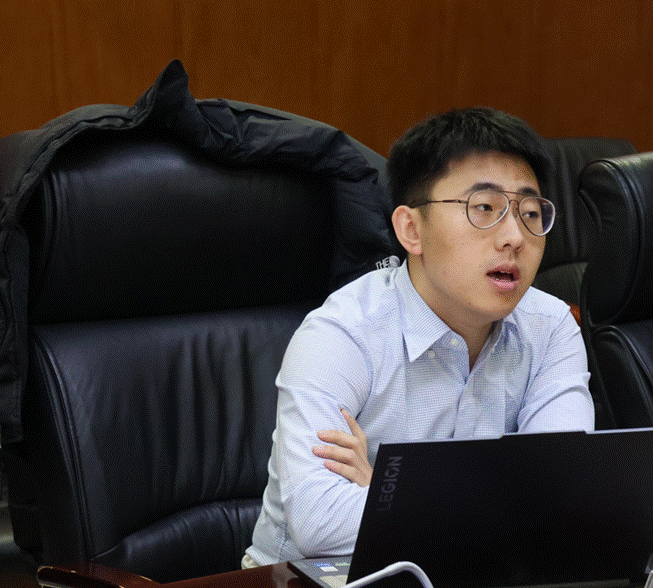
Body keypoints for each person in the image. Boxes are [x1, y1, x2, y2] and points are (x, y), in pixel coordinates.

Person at [245, 108, 594, 564]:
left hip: (476, 582)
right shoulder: (340, 336)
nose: (514, 236)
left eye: (530, 213)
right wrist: (504, 500)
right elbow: (320, 523)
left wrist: (388, 493)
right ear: (412, 230)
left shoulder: (551, 327)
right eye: (484, 208)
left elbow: (564, 495)